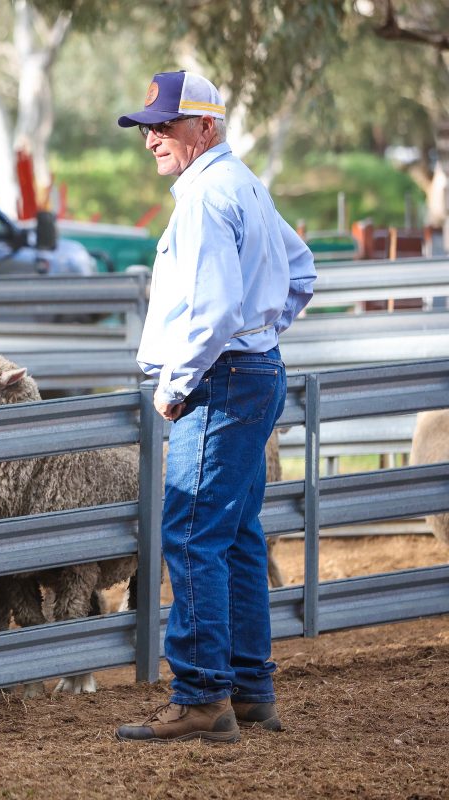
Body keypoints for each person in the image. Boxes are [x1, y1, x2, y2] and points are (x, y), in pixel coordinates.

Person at [113, 70, 316, 743]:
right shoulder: (244, 186)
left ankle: (202, 697)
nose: (151, 139)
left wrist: (175, 387)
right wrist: (264, 335)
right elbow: (302, 269)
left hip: (219, 380)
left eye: (165, 125)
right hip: (251, 373)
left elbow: (215, 308)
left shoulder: (204, 197)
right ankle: (251, 688)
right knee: (236, 535)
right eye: (149, 127)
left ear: (206, 126)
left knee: (193, 533)